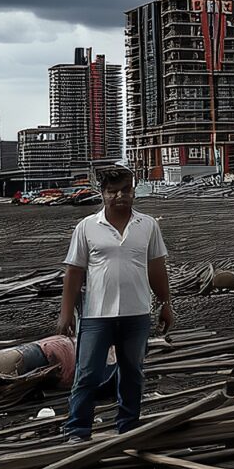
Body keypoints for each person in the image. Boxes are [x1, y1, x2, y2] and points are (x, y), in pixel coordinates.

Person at [58, 164, 172, 440]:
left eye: (125, 190)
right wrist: (66, 313)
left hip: (137, 312)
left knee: (132, 372)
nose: (119, 196)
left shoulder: (148, 226)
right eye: (112, 191)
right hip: (97, 314)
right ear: (102, 193)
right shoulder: (87, 227)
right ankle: (78, 430)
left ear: (134, 191)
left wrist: (166, 303)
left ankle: (128, 426)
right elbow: (74, 272)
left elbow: (156, 268)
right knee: (87, 374)